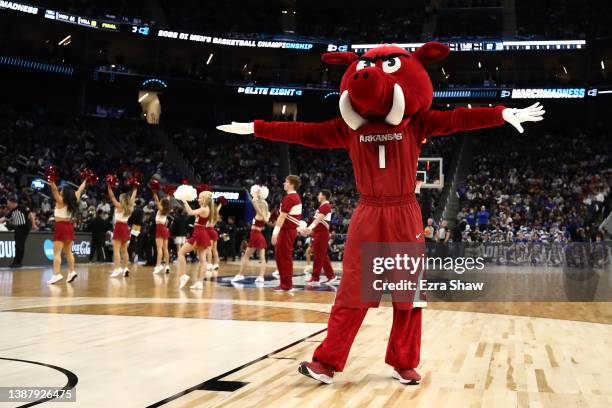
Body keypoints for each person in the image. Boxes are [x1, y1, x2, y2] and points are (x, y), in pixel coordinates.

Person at [217, 42, 544, 385]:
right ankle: (326, 362)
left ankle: (404, 362)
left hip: (404, 211)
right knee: (352, 291)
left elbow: (458, 118)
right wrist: (258, 127)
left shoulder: (417, 122)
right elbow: (303, 132)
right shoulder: (348, 128)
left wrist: (500, 113)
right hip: (368, 210)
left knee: (408, 294)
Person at [47, 180, 86, 284]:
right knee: (68, 252)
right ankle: (71, 271)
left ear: (65, 193)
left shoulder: (60, 201)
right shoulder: (74, 199)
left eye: (62, 190)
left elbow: (54, 190)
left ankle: (56, 274)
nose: (60, 191)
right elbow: (80, 189)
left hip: (60, 227)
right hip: (69, 227)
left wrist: (51, 180)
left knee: (57, 253)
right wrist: (86, 180)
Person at [231, 185, 270, 284]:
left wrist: (257, 195)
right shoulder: (264, 212)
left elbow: (254, 203)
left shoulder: (260, 213)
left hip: (256, 235)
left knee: (247, 256)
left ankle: (240, 275)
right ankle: (261, 277)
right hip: (258, 235)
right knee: (262, 257)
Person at [271, 175, 302, 292]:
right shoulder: (292, 197)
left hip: (287, 231)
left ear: (291, 184)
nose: (284, 183)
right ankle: (284, 283)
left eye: (286, 182)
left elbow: (282, 217)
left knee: (284, 257)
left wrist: (274, 233)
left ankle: (287, 285)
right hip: (287, 230)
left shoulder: (290, 198)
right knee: (280, 256)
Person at [300, 190, 337, 286]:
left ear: (324, 196)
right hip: (317, 233)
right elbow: (318, 223)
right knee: (322, 256)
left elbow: (317, 220)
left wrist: (308, 229)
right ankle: (331, 276)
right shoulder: (322, 206)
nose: (318, 196)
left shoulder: (326, 206)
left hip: (322, 234)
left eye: (319, 194)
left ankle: (315, 278)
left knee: (318, 256)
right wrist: (311, 231)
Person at [177, 191, 213, 289]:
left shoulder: (204, 209)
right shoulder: (204, 208)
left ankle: (183, 275)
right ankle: (199, 283)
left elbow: (190, 212)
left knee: (181, 253)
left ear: (205, 199)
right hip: (201, 234)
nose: (198, 199)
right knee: (202, 260)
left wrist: (184, 201)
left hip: (199, 234)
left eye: (200, 197)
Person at [108, 183, 137, 278]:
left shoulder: (118, 206)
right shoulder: (130, 206)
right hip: (126, 228)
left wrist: (109, 186)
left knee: (116, 250)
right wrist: (135, 187)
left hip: (119, 227)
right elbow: (133, 196)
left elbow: (112, 196)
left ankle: (117, 269)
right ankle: (126, 268)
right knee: (124, 250)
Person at [4, 195, 36, 268]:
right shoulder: (12, 211)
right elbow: (4, 218)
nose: (7, 205)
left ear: (12, 202)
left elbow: (30, 214)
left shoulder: (22, 207)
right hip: (18, 228)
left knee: (19, 244)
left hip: (24, 227)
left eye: (8, 203)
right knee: (17, 245)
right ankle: (16, 262)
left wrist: (34, 224)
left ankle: (18, 263)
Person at [152, 191, 172, 274]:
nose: (159, 202)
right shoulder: (166, 210)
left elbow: (156, 200)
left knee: (159, 249)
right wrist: (169, 194)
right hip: (165, 229)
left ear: (162, 204)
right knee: (165, 249)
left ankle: (158, 266)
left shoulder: (161, 209)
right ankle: (167, 266)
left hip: (160, 229)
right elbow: (167, 200)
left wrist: (154, 192)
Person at [204, 194, 222, 279]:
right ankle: (216, 264)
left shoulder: (208, 213)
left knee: (209, 249)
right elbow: (217, 210)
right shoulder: (215, 215)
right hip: (214, 231)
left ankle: (209, 264)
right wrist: (221, 204)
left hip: (208, 231)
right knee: (215, 249)